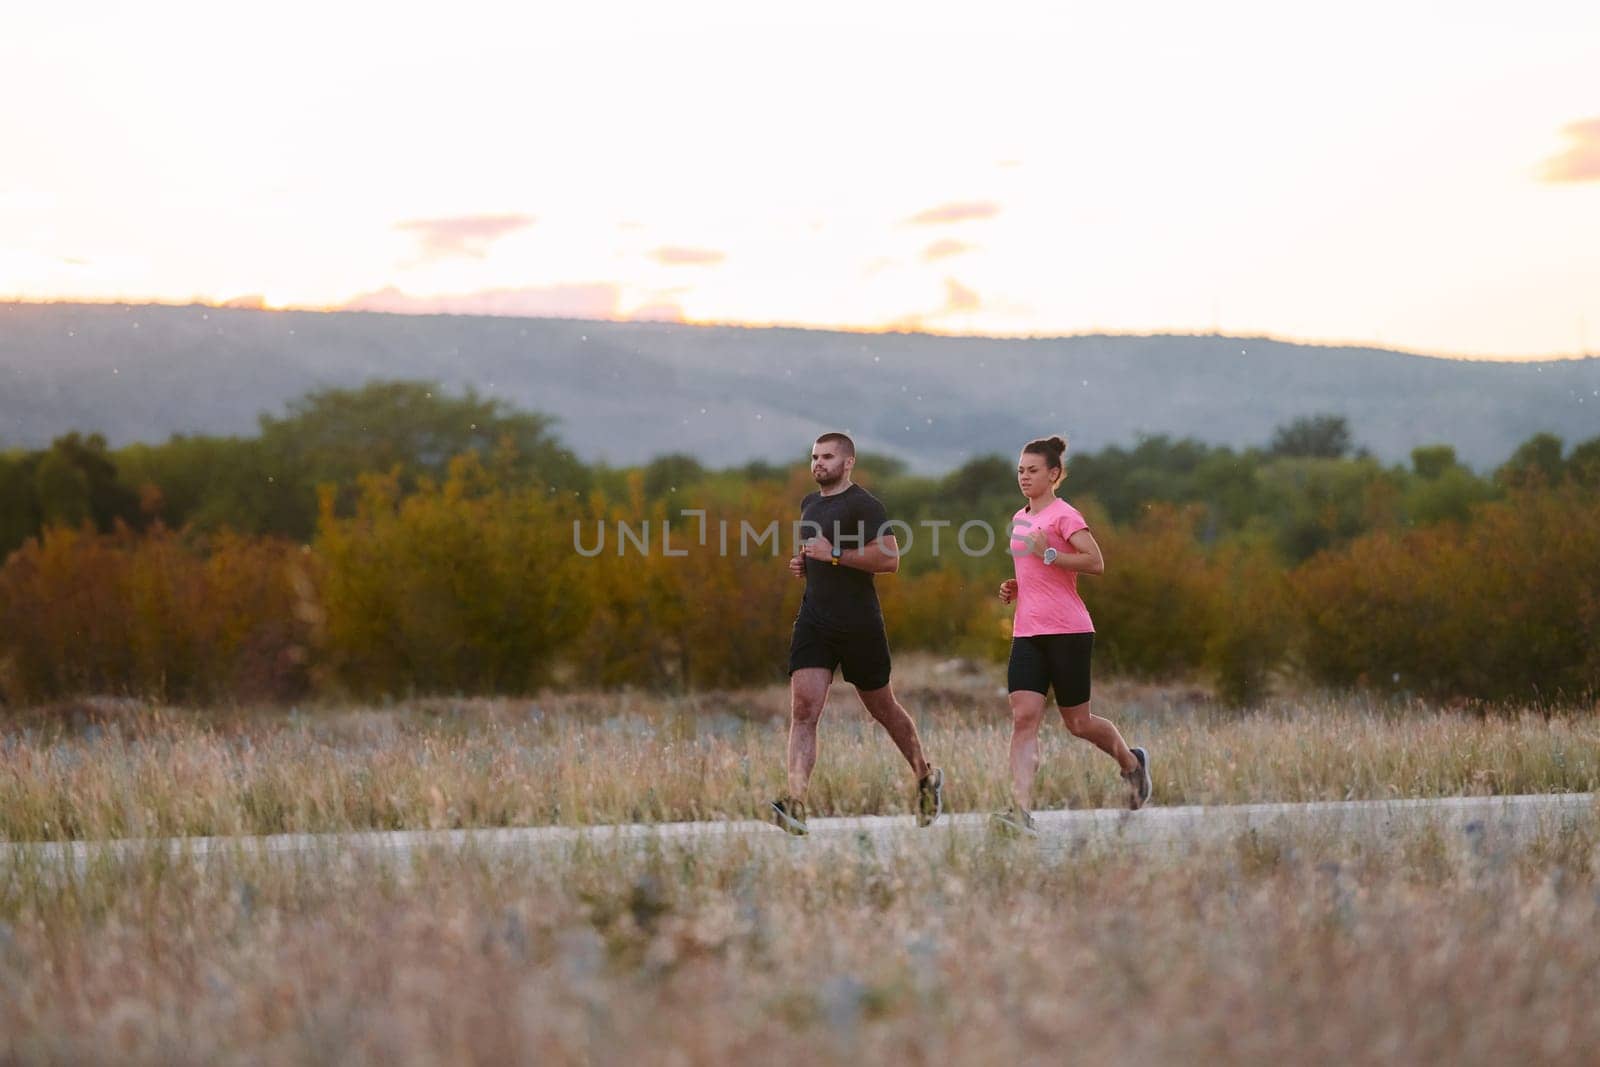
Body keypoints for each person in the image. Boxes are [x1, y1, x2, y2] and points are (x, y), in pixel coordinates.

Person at [770, 432, 943, 835]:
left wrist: (833, 555)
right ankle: (795, 802)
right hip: (814, 621)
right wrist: (804, 564)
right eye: (814, 457)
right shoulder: (809, 503)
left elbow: (889, 560)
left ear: (848, 462)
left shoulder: (865, 505)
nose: (818, 464)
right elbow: (820, 556)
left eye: (827, 457)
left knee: (883, 708)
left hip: (859, 624)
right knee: (803, 711)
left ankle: (925, 775)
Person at [991, 435, 1150, 836]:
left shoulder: (1066, 516)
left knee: (1077, 723)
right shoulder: (1020, 517)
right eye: (1021, 471)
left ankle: (1131, 765)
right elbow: (1037, 573)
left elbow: (1094, 562)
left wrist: (1052, 555)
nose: (1024, 477)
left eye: (1033, 471)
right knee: (1024, 717)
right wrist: (1017, 586)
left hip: (1069, 630)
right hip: (1027, 631)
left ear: (1054, 474)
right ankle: (1019, 810)